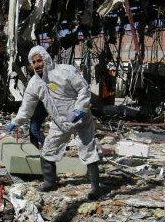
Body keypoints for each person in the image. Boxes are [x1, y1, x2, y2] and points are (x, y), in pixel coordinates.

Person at [7, 46, 102, 199]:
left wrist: (80, 108)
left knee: (88, 150)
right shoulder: (34, 83)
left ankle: (95, 188)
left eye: (39, 60)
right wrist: (16, 122)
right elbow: (27, 107)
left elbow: (83, 89)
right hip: (60, 123)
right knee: (48, 150)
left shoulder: (65, 71)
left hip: (80, 119)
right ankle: (50, 182)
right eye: (34, 62)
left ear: (46, 59)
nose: (37, 64)